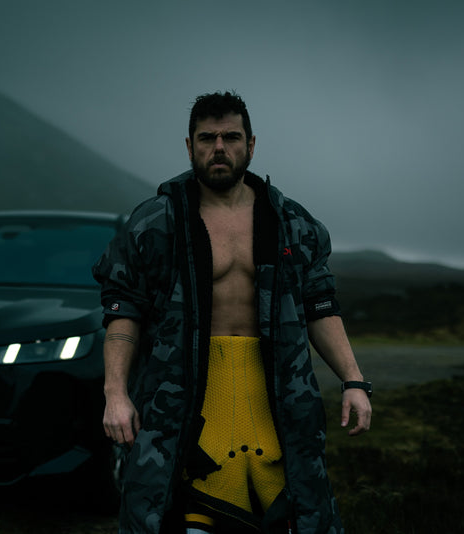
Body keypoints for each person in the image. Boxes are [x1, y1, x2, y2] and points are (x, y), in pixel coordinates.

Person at [92, 91, 372, 534]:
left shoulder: (292, 223)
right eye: (207, 138)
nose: (219, 148)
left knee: (297, 512)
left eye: (231, 137)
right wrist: (115, 393)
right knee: (173, 515)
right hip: (185, 407)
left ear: (251, 145)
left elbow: (320, 306)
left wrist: (353, 380)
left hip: (276, 403)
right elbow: (124, 311)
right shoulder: (155, 223)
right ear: (190, 146)